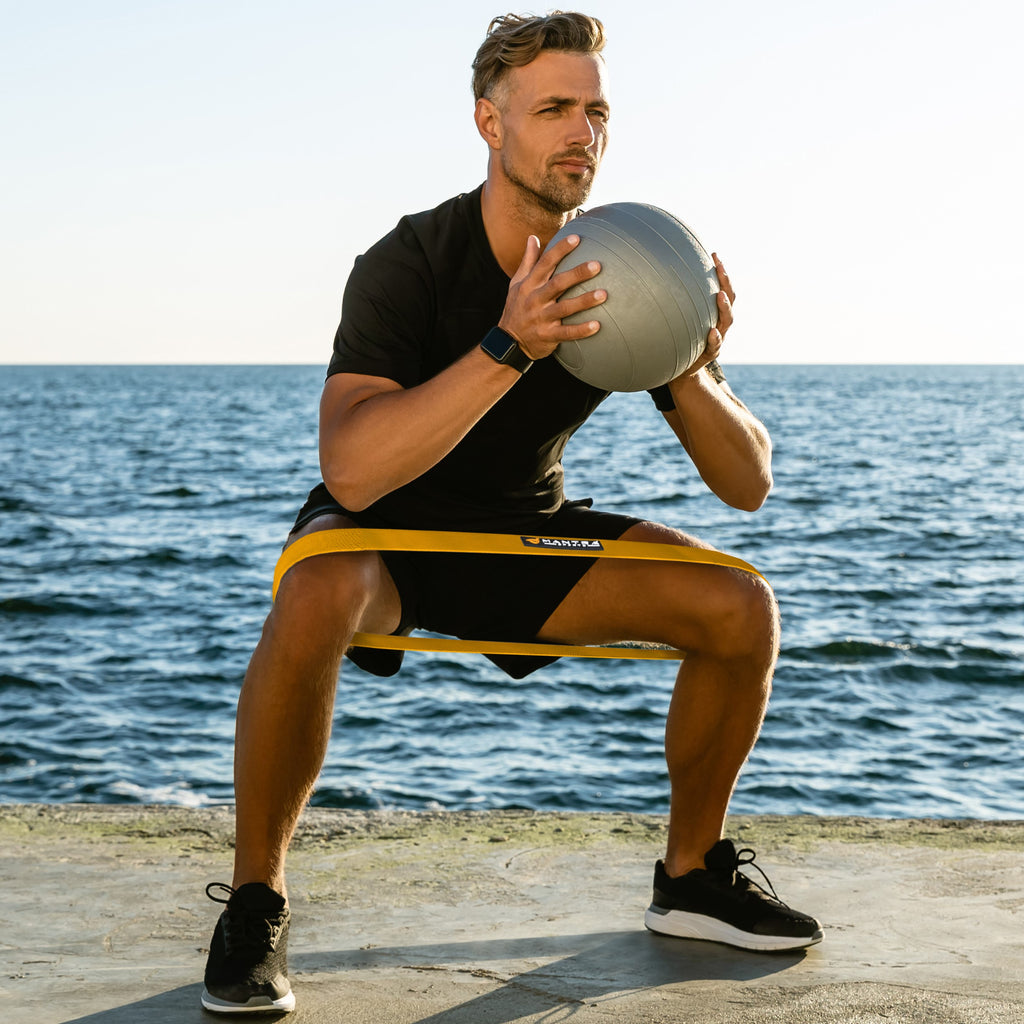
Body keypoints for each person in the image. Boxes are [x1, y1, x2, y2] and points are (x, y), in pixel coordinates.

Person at [200, 11, 822, 1015]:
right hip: (388, 537)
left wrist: (689, 367)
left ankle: (692, 879)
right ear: (490, 123)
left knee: (738, 605)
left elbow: (747, 483)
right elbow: (353, 470)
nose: (582, 132)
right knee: (311, 589)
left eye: (596, 111)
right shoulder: (408, 263)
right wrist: (508, 343)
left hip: (523, 533)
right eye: (554, 109)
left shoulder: (621, 264)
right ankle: (254, 902)